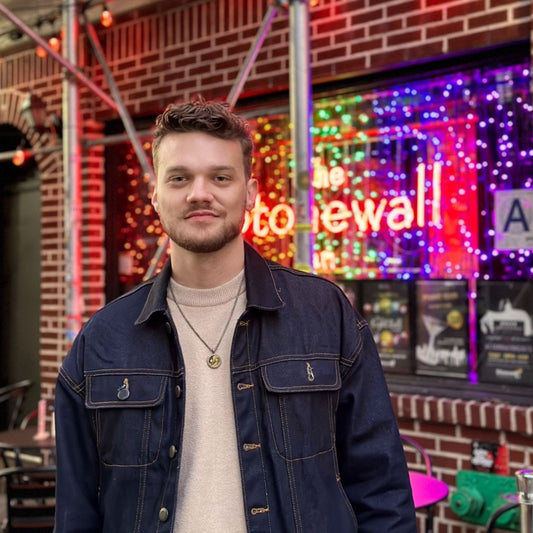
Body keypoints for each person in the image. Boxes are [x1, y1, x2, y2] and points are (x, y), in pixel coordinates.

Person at [54, 98, 416, 533]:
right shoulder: (102, 341)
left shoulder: (324, 315)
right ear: (155, 195)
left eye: (220, 177)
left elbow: (381, 490)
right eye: (179, 177)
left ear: (251, 193)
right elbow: (76, 514)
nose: (199, 192)